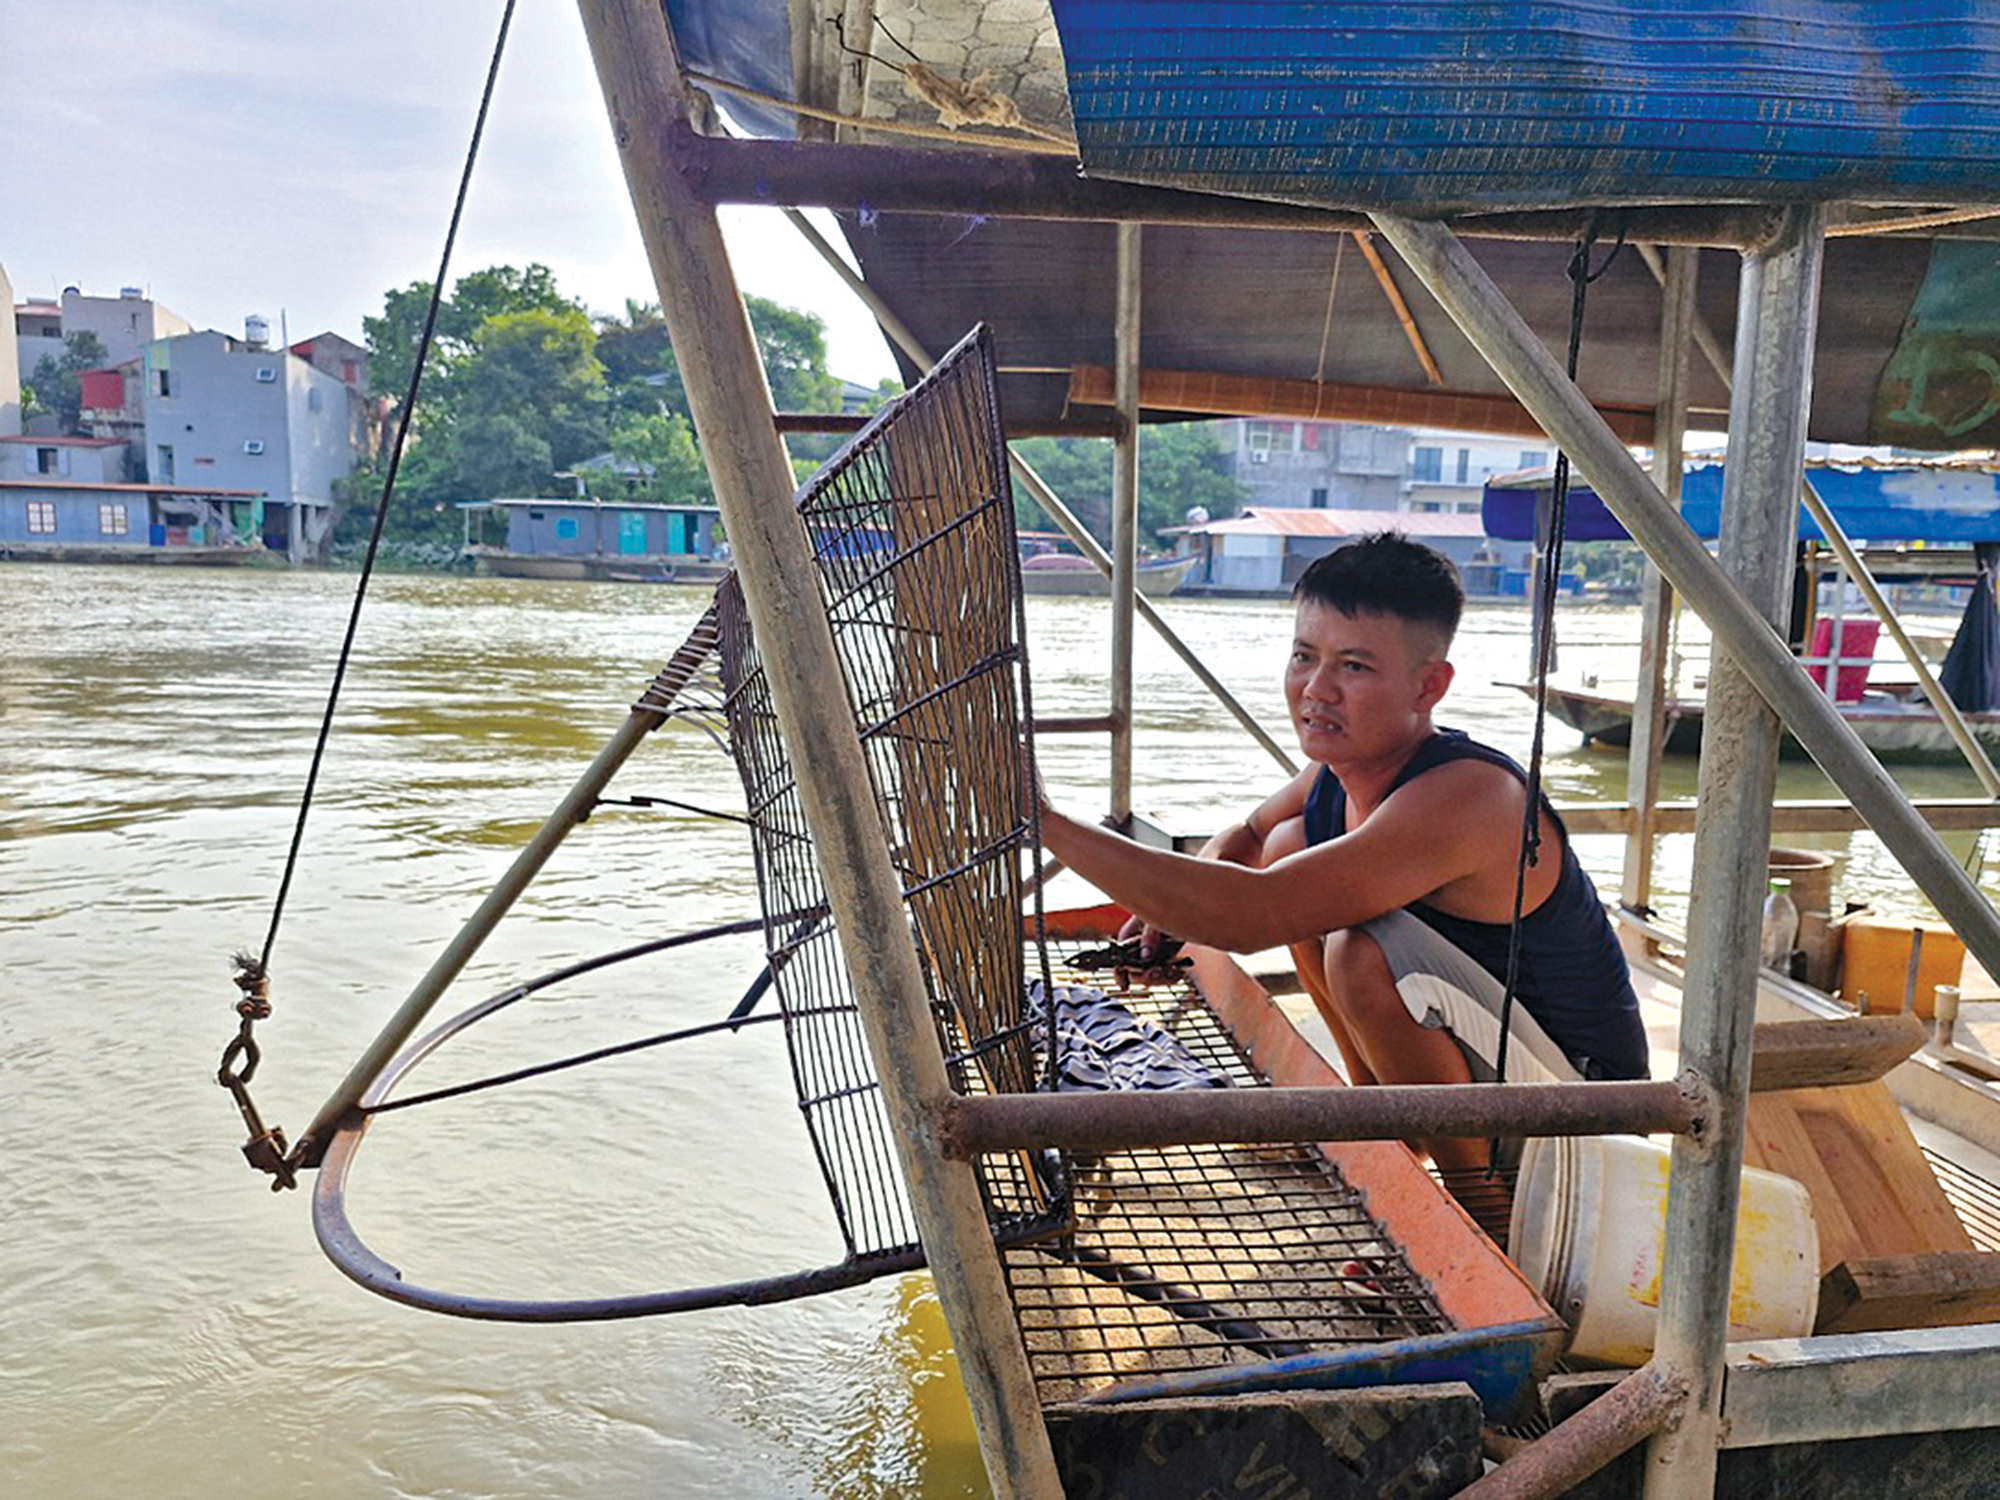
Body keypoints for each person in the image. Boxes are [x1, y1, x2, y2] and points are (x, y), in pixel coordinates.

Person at [1033, 532, 1648, 1176]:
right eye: (1305, 656)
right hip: (1503, 1070)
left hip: (1588, 1103)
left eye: (1354, 666)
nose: (1316, 690)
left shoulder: (1469, 797)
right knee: (1286, 844)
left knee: (1360, 950)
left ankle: (1482, 1207)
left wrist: (1046, 821)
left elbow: (1250, 918)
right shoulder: (1342, 769)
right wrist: (1169, 918)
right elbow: (1243, 839)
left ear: (1428, 686)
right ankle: (1380, 1120)